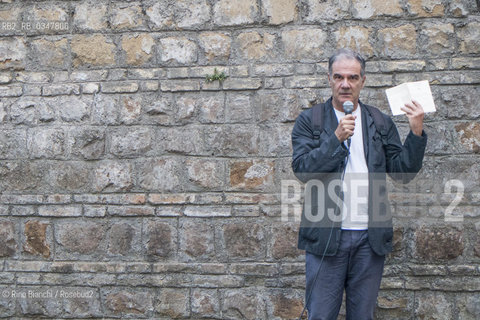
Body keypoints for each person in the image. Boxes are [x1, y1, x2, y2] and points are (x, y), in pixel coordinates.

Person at [291, 48, 427, 320]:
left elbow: (402, 173)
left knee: (362, 315)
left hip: (369, 238)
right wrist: (336, 139)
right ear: (329, 78)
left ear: (363, 81)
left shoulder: (379, 121)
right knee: (321, 315)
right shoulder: (311, 120)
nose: (345, 84)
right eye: (339, 77)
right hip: (326, 236)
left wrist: (415, 132)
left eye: (352, 78)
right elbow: (303, 170)